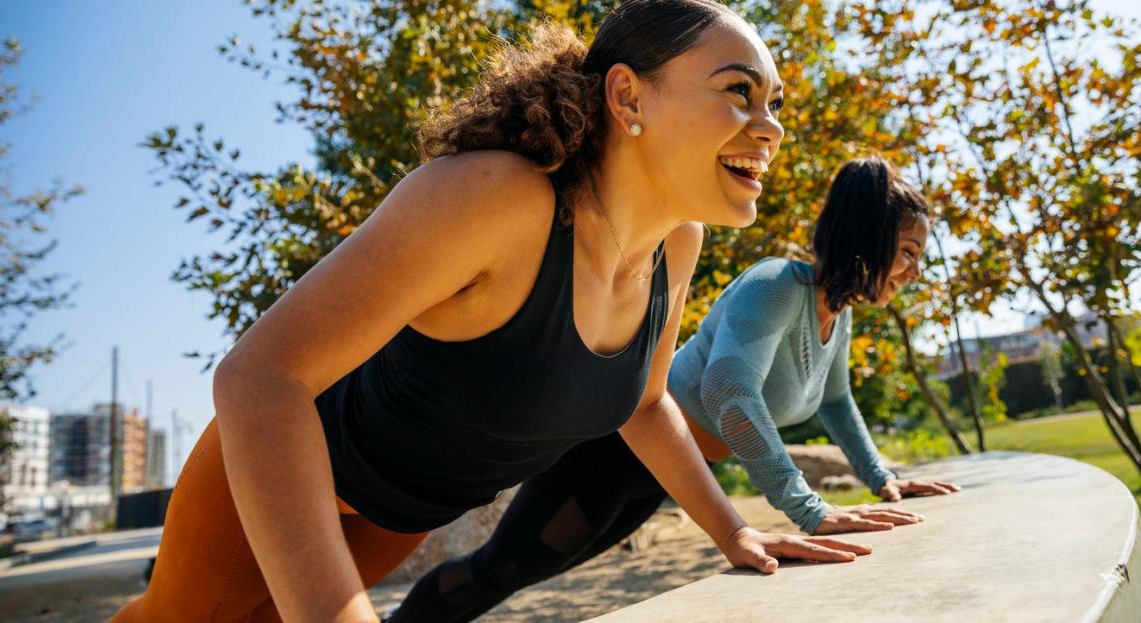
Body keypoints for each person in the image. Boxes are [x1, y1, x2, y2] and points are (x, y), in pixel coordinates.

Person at [113, 2, 875, 622]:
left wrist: (733, 528)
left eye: (774, 103)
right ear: (628, 96)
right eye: (738, 91)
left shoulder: (677, 244)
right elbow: (258, 377)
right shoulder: (497, 197)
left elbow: (646, 403)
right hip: (293, 474)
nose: (770, 126)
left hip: (403, 510)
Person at [390, 157, 961, 623]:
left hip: (668, 474)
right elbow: (729, 392)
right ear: (867, 237)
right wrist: (806, 510)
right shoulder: (777, 285)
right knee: (503, 569)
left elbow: (836, 402)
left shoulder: (838, 316)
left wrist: (884, 480)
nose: (914, 271)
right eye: (908, 252)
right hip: (616, 451)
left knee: (527, 570)